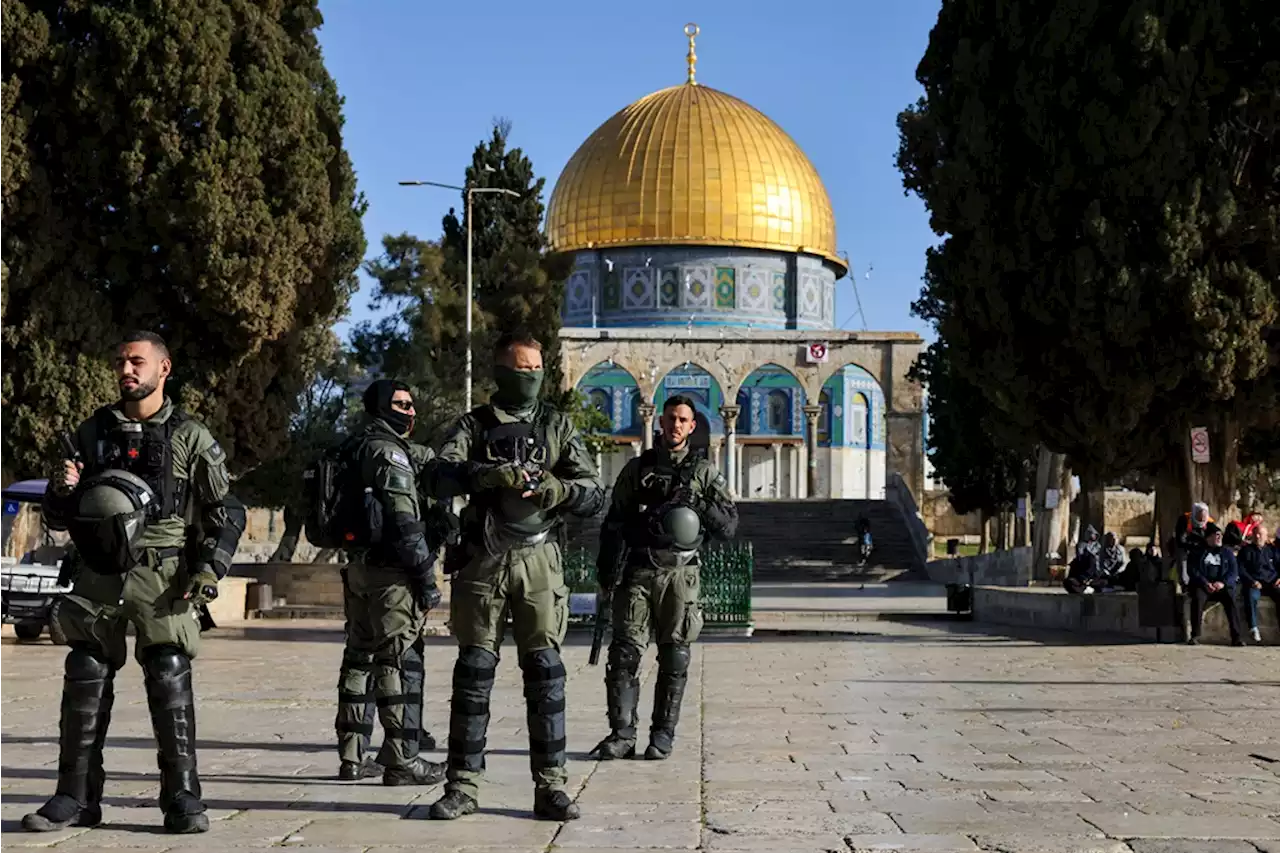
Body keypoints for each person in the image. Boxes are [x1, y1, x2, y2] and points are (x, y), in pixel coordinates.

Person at [24, 331, 246, 834]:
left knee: (169, 673)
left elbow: (226, 511)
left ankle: (183, 798)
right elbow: (60, 517)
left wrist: (209, 570)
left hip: (162, 576)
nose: (127, 369)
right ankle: (75, 798)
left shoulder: (190, 435)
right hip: (97, 574)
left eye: (137, 361)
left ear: (163, 369)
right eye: (121, 361)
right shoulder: (92, 432)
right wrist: (61, 489)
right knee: (84, 671)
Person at [421, 330, 605, 822]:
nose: (531, 379)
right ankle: (462, 786)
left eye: (536, 370)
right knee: (474, 675)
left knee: (546, 675)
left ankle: (551, 788)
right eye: (521, 370)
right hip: (483, 560)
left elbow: (594, 494)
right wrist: (486, 475)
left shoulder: (556, 425)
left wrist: (556, 489)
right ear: (501, 372)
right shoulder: (473, 425)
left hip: (539, 563)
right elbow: (437, 475)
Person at [590, 394, 738, 762]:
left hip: (680, 575)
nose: (675, 425)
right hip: (638, 570)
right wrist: (606, 574)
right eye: (670, 418)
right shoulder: (638, 469)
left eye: (683, 419)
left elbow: (729, 526)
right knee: (624, 654)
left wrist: (698, 503)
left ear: (692, 426)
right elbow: (614, 523)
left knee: (675, 656)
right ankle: (622, 734)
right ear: (661, 422)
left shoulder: (704, 474)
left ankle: (662, 735)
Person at [333, 379, 447, 787]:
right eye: (401, 403)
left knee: (358, 658)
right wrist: (425, 577)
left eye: (412, 403)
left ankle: (351, 757)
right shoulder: (387, 451)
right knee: (394, 661)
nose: (410, 411)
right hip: (391, 575)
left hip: (358, 569)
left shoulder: (353, 447)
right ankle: (402, 760)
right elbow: (404, 520)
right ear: (382, 406)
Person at [1186, 522, 1244, 646]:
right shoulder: (1197, 552)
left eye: (1220, 535)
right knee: (1197, 598)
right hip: (1204, 586)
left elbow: (1233, 571)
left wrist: (1223, 583)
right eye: (1216, 535)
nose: (1219, 538)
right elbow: (1193, 570)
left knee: (1231, 599)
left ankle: (1237, 637)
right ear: (1208, 537)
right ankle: (1195, 635)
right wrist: (1205, 583)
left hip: (1222, 586)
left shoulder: (1227, 552)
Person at [1238, 522, 1279, 643]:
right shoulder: (1245, 550)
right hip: (1254, 583)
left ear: (1266, 536)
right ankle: (1253, 627)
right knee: (1251, 596)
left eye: (1260, 534)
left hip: (1271, 582)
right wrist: (1252, 581)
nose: (1258, 537)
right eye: (1256, 534)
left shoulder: (1272, 550)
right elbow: (1241, 569)